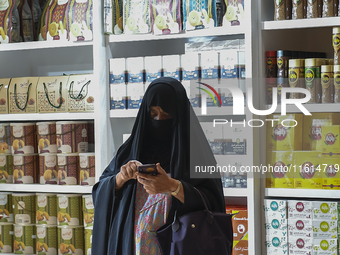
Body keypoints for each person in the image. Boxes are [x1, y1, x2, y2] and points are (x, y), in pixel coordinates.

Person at [92, 77, 225, 255]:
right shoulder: (129, 151)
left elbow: (214, 204)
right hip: (131, 247)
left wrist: (173, 187)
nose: (159, 120)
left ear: (179, 115)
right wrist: (120, 178)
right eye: (153, 114)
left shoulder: (196, 155)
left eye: (167, 115)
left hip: (178, 246)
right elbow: (99, 193)